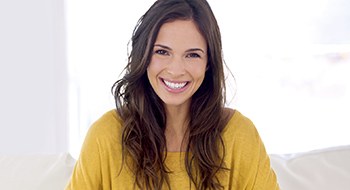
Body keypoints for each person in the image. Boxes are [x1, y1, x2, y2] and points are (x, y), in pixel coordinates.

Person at [66, 0, 280, 189]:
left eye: (193, 55)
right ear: (144, 56)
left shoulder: (238, 136)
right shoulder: (105, 136)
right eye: (162, 52)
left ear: (208, 63)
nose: (176, 70)